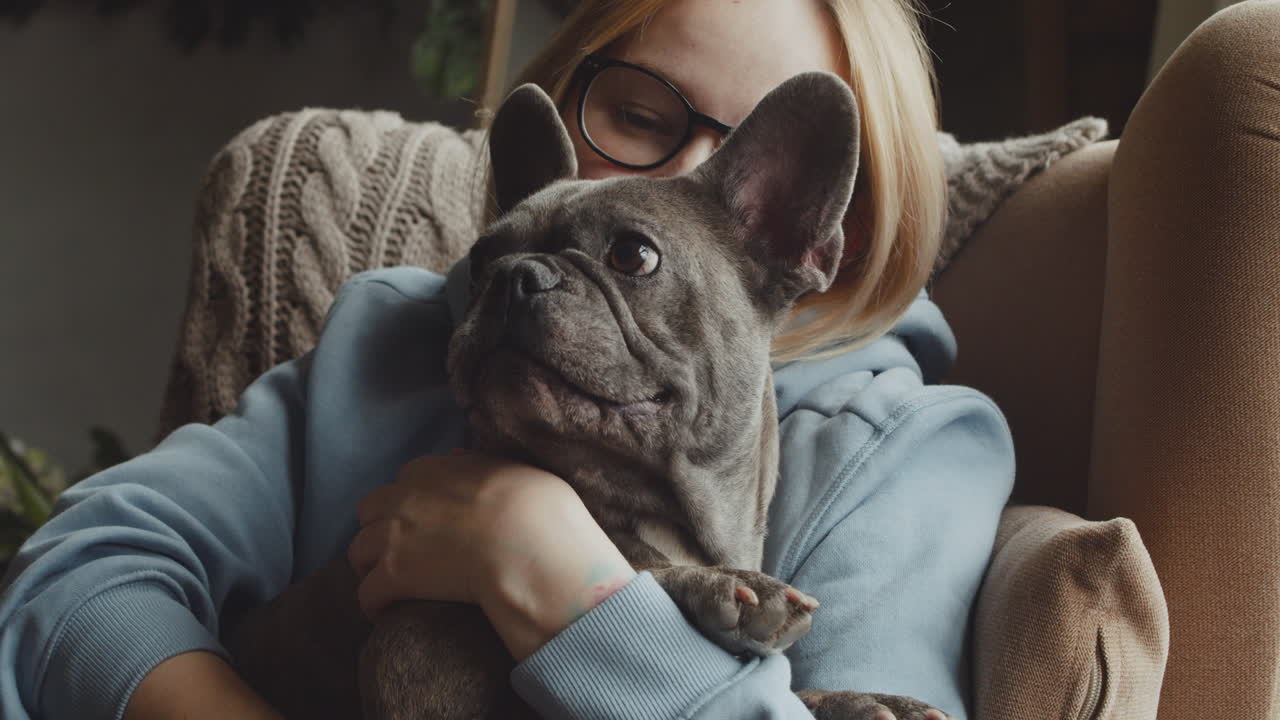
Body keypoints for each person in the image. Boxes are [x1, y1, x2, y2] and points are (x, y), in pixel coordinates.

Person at [3, 0, 1273, 718]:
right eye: (638, 116)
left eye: (743, 168)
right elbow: (82, 569)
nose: (675, 180)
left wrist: (551, 577)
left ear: (798, 229)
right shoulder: (396, 337)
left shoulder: (897, 451)